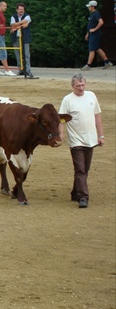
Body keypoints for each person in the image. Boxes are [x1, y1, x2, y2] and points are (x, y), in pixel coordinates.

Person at [59, 73, 104, 208]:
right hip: (76, 140)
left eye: (83, 85)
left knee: (85, 169)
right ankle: (83, 197)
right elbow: (61, 118)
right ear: (72, 86)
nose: (81, 88)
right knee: (80, 169)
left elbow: (97, 116)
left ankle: (75, 192)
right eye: (78, 86)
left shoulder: (91, 96)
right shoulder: (67, 100)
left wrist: (101, 135)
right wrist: (60, 132)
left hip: (90, 139)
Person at [81, 0, 113, 70]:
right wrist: (88, 33)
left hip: (95, 34)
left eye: (89, 7)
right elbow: (90, 25)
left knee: (92, 49)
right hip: (91, 33)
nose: (88, 8)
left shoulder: (96, 13)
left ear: (93, 7)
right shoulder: (92, 14)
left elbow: (101, 22)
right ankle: (107, 62)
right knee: (97, 48)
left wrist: (94, 29)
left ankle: (88, 65)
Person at [10, 3, 34, 78]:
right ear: (17, 10)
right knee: (18, 55)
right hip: (16, 38)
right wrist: (21, 23)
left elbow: (25, 25)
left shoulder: (27, 16)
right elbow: (13, 25)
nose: (21, 11)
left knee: (26, 55)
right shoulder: (13, 16)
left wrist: (16, 26)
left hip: (24, 38)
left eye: (22, 9)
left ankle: (28, 70)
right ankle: (21, 70)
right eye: (20, 9)